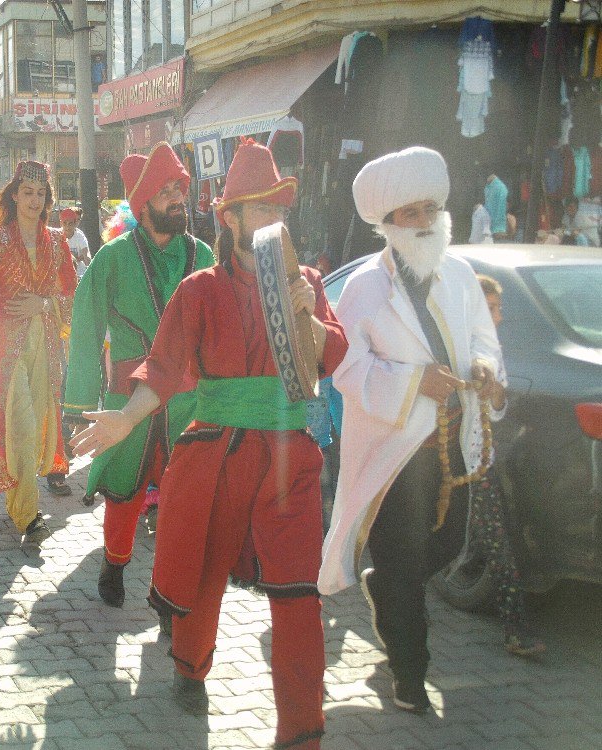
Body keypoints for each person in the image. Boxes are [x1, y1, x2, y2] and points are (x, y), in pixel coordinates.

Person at [71, 140, 346, 750]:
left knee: (300, 597)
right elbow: (164, 369)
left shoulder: (305, 281)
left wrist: (312, 320)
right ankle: (191, 667)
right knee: (206, 576)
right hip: (220, 454)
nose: (273, 220)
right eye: (259, 208)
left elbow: (334, 357)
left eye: (279, 207)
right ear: (231, 217)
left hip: (292, 459)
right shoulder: (199, 289)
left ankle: (302, 733)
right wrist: (124, 420)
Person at [319, 146, 504, 714]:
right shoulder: (364, 290)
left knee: (445, 550)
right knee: (403, 566)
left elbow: (484, 341)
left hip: (453, 447)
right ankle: (409, 674)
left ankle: (391, 592)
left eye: (430, 208)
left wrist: (486, 372)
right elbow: (345, 370)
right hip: (395, 453)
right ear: (388, 224)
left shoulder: (462, 275)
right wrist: (412, 383)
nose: (425, 221)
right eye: (410, 213)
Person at [64, 142, 214, 608]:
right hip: (127, 396)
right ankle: (114, 563)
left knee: (182, 497)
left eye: (180, 188)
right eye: (166, 189)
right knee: (124, 489)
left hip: (187, 398)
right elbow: (87, 327)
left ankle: (169, 592)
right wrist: (80, 405)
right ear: (143, 201)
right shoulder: (112, 258)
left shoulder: (204, 254)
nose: (177, 197)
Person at [0, 162, 77, 545]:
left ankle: (23, 499)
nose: (34, 200)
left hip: (44, 342)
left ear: (48, 200)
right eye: (27, 192)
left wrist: (41, 304)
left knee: (37, 419)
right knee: (20, 423)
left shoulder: (58, 242)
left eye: (41, 194)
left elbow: (69, 295)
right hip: (6, 344)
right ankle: (27, 513)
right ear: (14, 195)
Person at [472, 274, 545, 657]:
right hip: (431, 456)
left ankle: (516, 630)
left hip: (477, 457)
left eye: (499, 309)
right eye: (490, 309)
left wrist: (496, 395)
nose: (498, 317)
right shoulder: (451, 340)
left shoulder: (492, 347)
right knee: (427, 542)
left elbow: (497, 411)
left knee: (498, 540)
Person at [59, 206, 90, 278]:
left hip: (79, 274)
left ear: (75, 223)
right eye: (64, 223)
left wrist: (89, 269)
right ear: (61, 223)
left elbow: (86, 255)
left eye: (70, 223)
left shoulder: (80, 236)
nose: (67, 227)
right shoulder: (57, 235)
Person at [484, 173, 509, 241]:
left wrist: (499, 227)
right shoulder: (488, 187)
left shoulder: (500, 188)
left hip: (498, 229)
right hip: (490, 226)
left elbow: (501, 207)